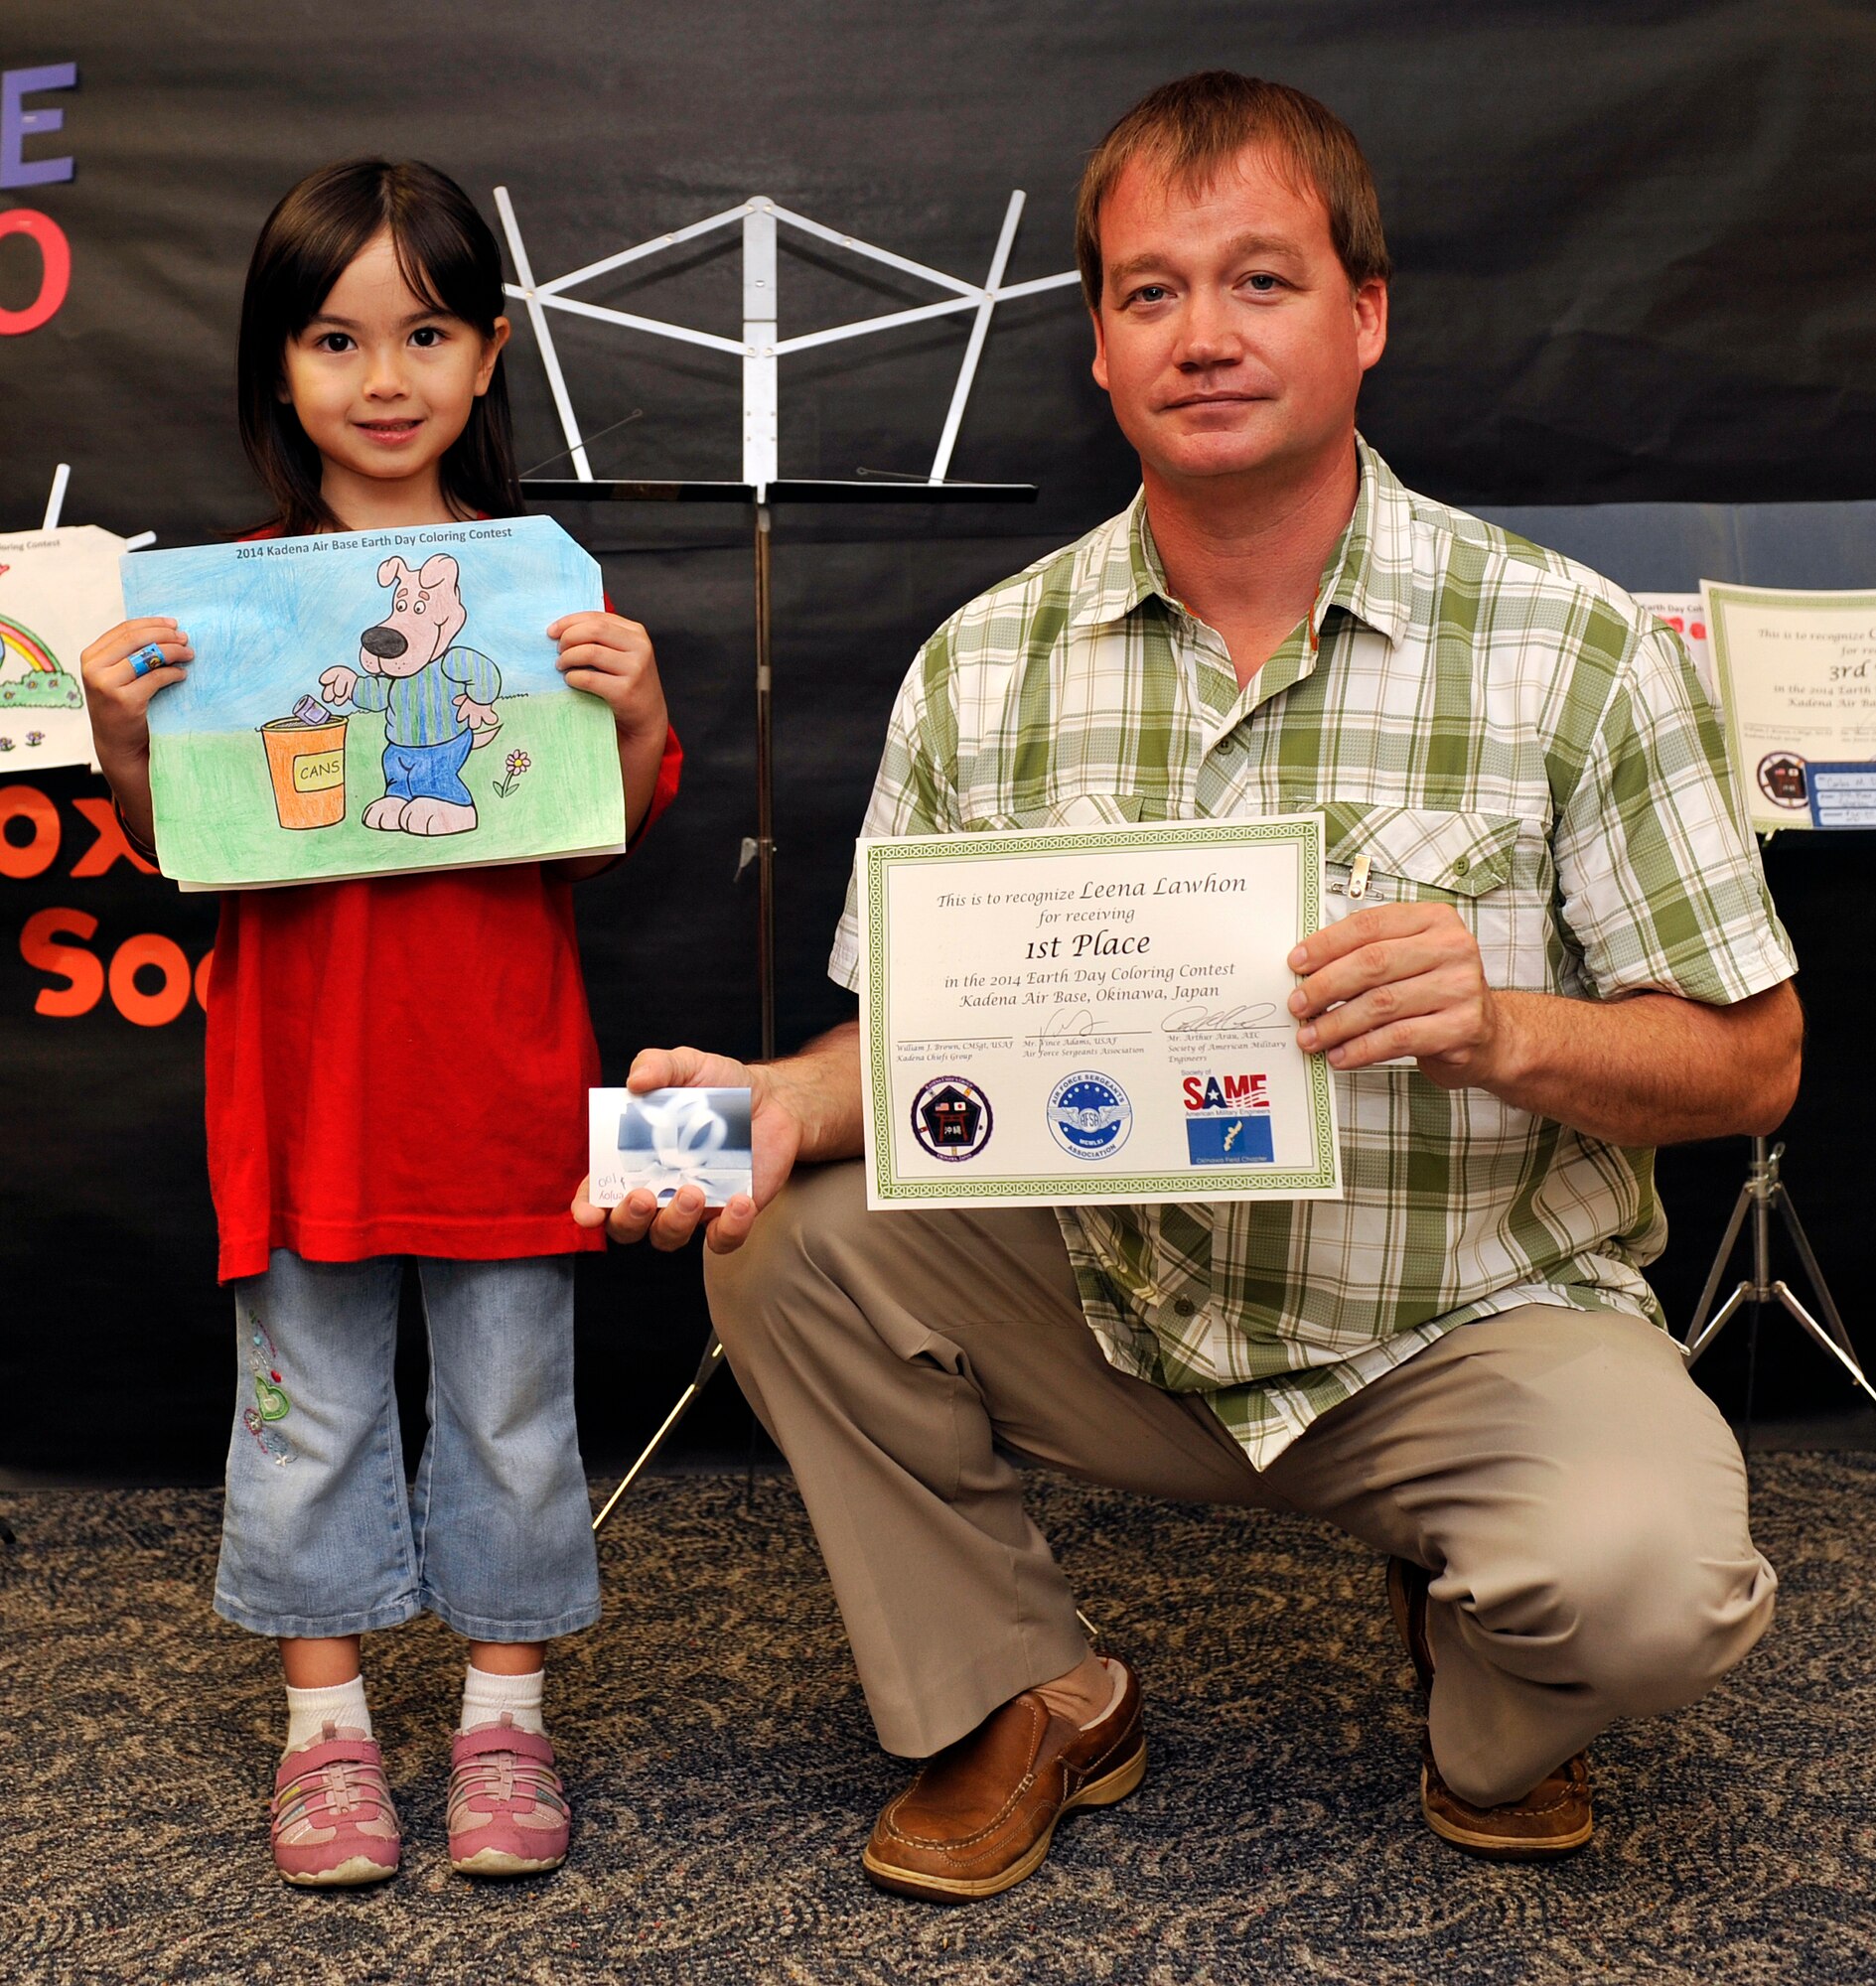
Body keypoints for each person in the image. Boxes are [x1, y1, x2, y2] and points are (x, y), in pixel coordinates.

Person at [575, 71, 1802, 1898]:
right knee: (782, 1230)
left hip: (1463, 1324)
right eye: (1150, 293)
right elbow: (914, 1049)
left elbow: (1753, 1065)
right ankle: (1026, 1697)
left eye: (1259, 282)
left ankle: (1479, 1676)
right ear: (1097, 346)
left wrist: (1500, 1026)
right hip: (1116, 1297)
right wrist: (777, 1101)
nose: (1202, 337)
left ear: (1364, 315)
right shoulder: (982, 667)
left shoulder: (1571, 647)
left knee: (1647, 1590)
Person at [82, 159, 681, 1889]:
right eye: (336, 338)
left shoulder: (542, 591)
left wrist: (635, 708)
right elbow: (173, 840)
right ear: (281, 368)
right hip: (301, 1100)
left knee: (509, 1410)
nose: (385, 376)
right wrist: (128, 738)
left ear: (489, 355)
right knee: (307, 1412)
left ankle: (506, 1716)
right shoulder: (229, 610)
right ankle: (325, 1732)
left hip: (498, 1093)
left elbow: (620, 814)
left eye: (425, 331)